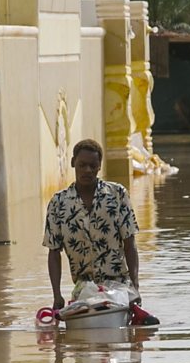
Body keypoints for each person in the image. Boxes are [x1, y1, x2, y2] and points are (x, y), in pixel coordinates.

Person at [45, 139, 157, 324]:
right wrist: (57, 296)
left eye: (93, 166)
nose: (87, 170)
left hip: (119, 287)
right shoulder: (58, 203)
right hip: (83, 288)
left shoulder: (117, 194)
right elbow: (53, 252)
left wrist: (135, 288)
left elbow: (130, 243)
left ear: (99, 167)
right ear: (73, 163)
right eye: (82, 165)